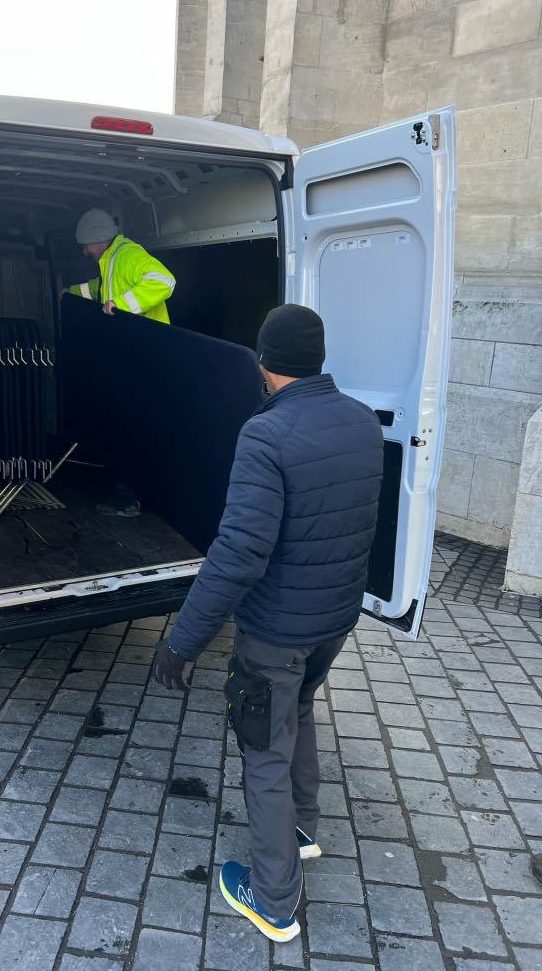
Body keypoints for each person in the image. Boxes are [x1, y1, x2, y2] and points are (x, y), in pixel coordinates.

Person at [151, 304, 383, 943]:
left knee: (263, 747)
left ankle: (274, 901)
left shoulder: (265, 435)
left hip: (277, 630)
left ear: (263, 363)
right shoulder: (362, 420)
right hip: (334, 620)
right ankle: (302, 829)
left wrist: (183, 641)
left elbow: (239, 553)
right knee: (300, 708)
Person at [61, 209, 175, 323]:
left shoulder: (127, 254)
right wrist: (70, 292)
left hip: (150, 338)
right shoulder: (111, 259)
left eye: (85, 245)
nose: (84, 252)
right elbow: (98, 287)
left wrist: (119, 304)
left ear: (98, 238)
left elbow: (164, 280)